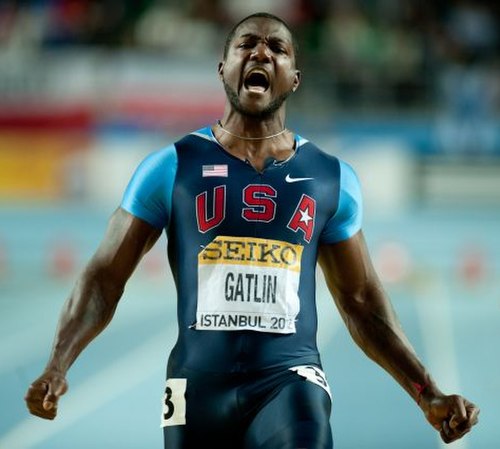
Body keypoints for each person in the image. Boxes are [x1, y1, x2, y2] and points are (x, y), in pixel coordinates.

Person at [25, 12, 479, 449]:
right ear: (224, 70)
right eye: (247, 44)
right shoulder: (170, 167)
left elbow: (361, 302)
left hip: (291, 382)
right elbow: (104, 278)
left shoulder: (330, 178)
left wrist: (427, 391)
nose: (261, 53)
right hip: (195, 387)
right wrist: (57, 365)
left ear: (294, 78)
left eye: (277, 48)